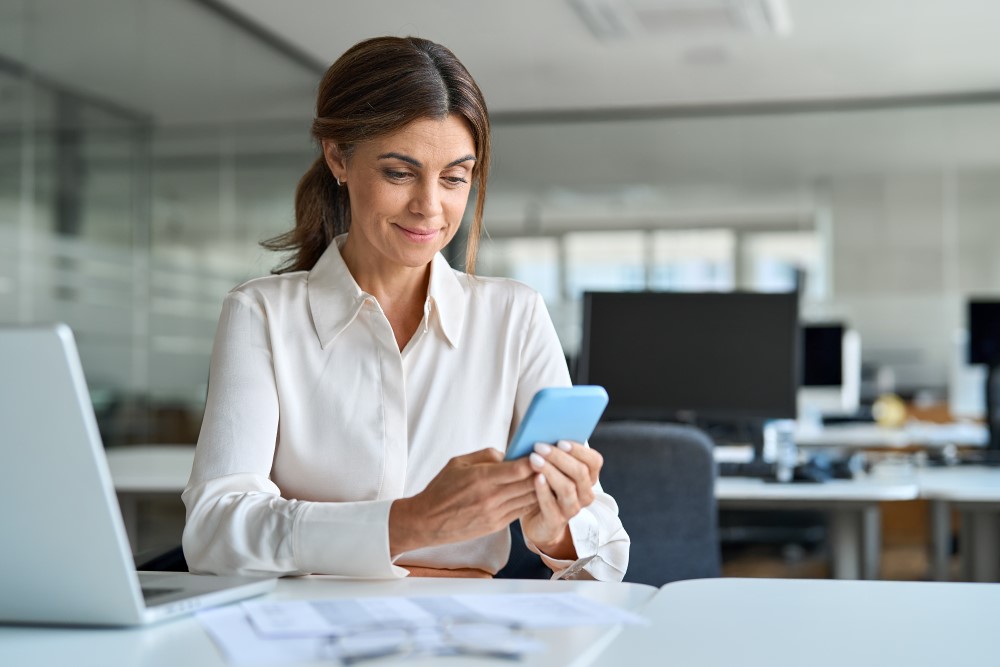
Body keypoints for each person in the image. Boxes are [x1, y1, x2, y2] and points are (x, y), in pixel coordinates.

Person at [182, 36, 629, 581]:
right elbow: (212, 533)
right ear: (338, 157)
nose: (430, 206)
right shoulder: (262, 314)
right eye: (399, 172)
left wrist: (553, 525)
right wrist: (411, 523)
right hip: (310, 632)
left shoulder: (514, 316)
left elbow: (605, 561)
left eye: (454, 177)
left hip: (462, 631)